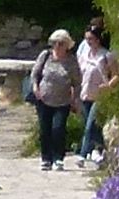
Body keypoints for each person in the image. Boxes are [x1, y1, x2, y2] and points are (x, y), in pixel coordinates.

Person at [26, 28, 81, 168]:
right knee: (45, 130)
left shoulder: (71, 61)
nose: (58, 45)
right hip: (44, 99)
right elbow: (35, 74)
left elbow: (77, 81)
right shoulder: (45, 56)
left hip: (63, 101)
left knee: (58, 129)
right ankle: (46, 158)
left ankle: (58, 158)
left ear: (67, 45)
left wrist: (75, 99)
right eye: (55, 42)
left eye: (61, 43)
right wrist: (35, 88)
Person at [74, 23, 117, 161]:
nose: (88, 41)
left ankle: (82, 154)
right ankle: (99, 151)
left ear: (98, 39)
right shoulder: (83, 54)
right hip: (85, 94)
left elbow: (117, 74)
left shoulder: (106, 55)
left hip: (100, 96)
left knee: (89, 126)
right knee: (93, 127)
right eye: (87, 39)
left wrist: (109, 85)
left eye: (91, 39)